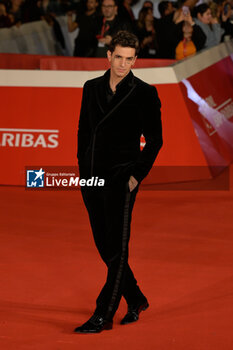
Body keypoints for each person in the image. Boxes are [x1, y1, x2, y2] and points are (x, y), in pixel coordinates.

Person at [74, 30, 163, 334]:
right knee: (105, 245)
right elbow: (83, 132)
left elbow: (155, 140)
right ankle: (136, 298)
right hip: (92, 178)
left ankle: (103, 313)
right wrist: (83, 170)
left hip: (121, 177)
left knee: (118, 247)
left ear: (136, 59)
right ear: (109, 55)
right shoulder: (91, 87)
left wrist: (136, 176)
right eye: (119, 57)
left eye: (130, 59)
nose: (124, 64)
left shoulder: (145, 93)